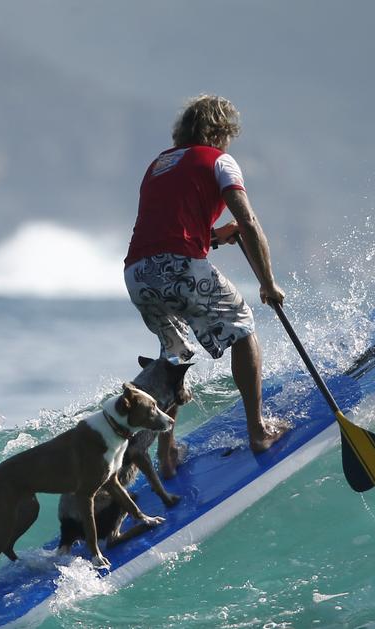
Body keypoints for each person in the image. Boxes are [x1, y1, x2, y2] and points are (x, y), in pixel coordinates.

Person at [123, 94, 289, 478]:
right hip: (178, 266)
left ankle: (166, 456)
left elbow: (165, 232)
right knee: (244, 328)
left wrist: (213, 237)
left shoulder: (159, 165)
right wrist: (268, 284)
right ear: (220, 132)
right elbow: (248, 220)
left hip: (137, 273)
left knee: (175, 356)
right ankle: (258, 431)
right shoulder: (219, 160)